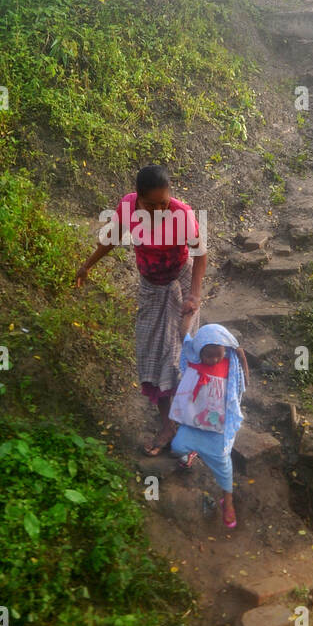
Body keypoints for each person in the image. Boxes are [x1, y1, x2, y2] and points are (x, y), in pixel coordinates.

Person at [74, 163, 207, 437]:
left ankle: (191, 420)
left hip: (180, 282)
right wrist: (87, 265)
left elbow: (201, 254)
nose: (158, 210)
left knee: (179, 352)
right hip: (150, 288)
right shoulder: (128, 207)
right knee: (152, 356)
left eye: (164, 203)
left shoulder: (182, 214)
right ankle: (167, 425)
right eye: (151, 205)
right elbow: (110, 238)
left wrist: (194, 293)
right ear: (137, 198)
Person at [143, 323, 248, 530]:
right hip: (193, 422)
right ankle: (192, 452)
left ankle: (227, 500)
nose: (214, 359)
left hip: (217, 427)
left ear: (225, 351)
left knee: (222, 463)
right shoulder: (193, 360)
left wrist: (241, 358)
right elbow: (185, 337)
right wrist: (188, 316)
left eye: (218, 354)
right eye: (209, 355)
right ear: (200, 352)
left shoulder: (229, 365)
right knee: (178, 447)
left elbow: (239, 359)